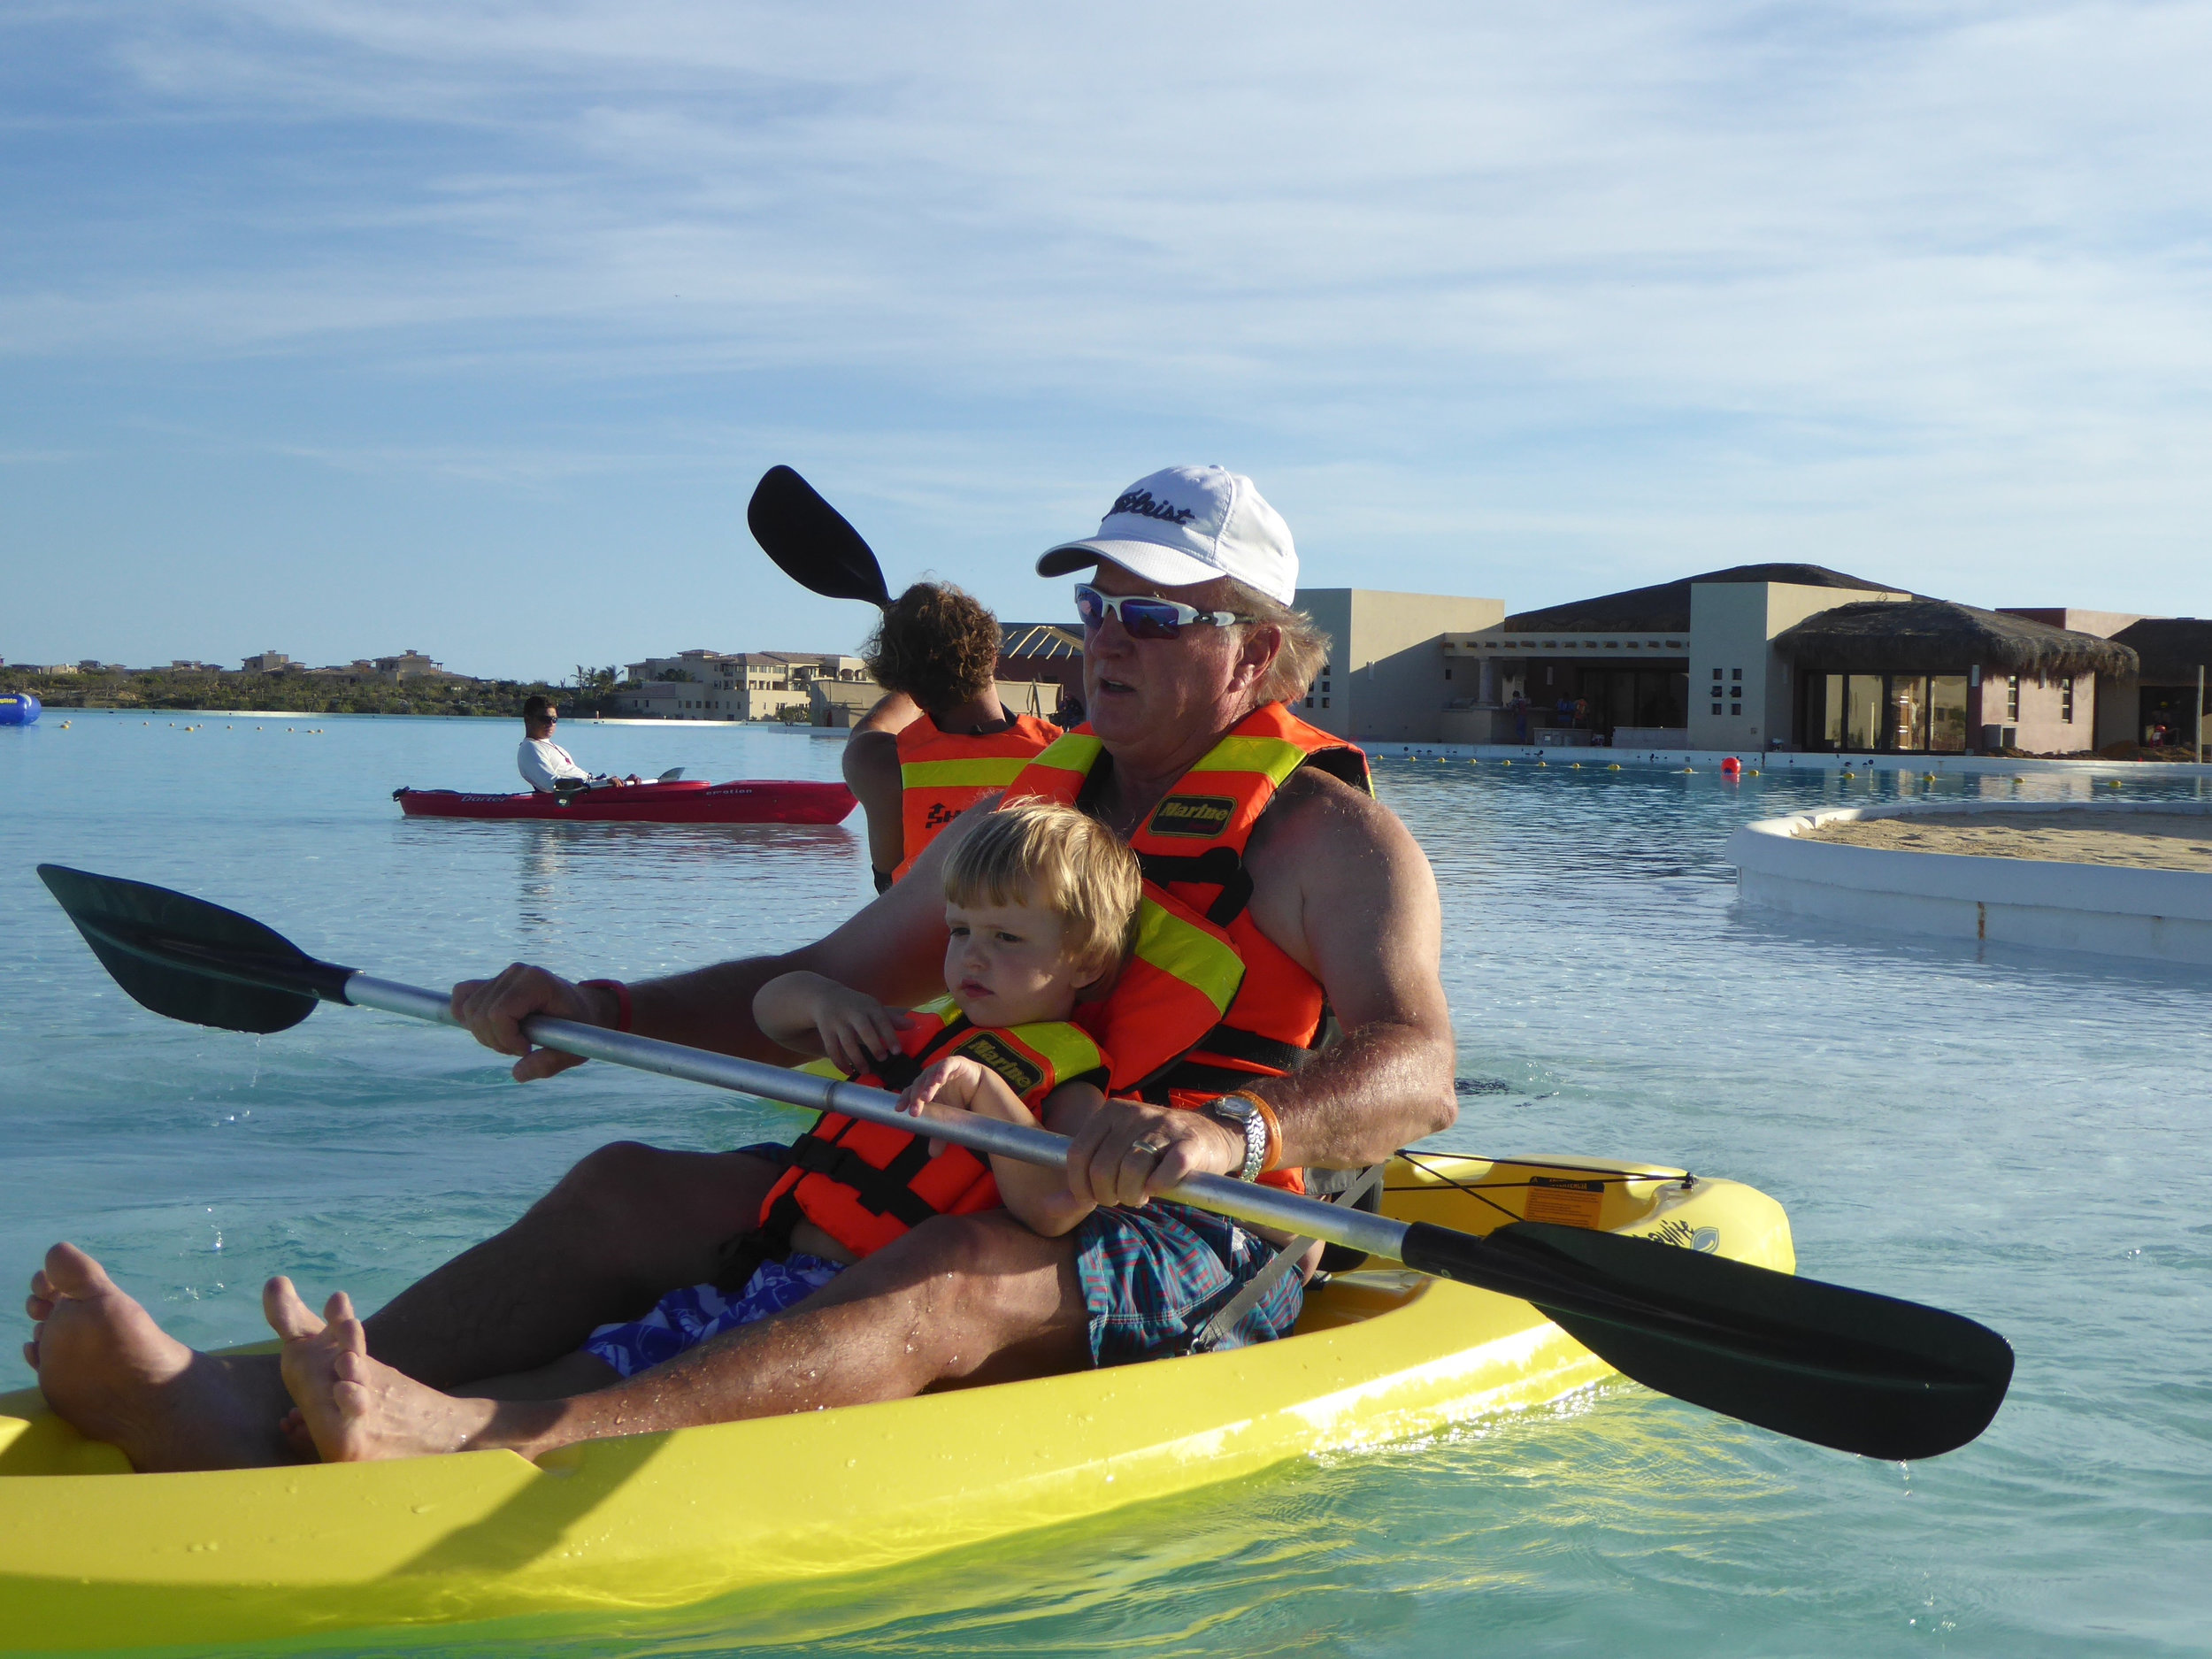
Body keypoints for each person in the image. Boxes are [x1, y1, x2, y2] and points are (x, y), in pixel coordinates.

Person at [26, 464, 1456, 1471]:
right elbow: (824, 967)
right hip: (993, 1146)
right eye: (1095, 607)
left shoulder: (1331, 836)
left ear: (1259, 653)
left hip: (1205, 1215)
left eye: (1153, 614)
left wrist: (1233, 1128)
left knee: (950, 1266)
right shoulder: (1046, 816)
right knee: (630, 1186)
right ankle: (268, 1413)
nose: (1105, 639)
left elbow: (1419, 1067)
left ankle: (485, 1437)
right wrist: (603, 1009)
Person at [547, 797, 1148, 1392]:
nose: (972, 953)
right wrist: (820, 997)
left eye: (1007, 937)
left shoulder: (1070, 1079)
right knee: (595, 1365)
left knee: (633, 1394)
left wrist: (986, 1089)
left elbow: (1055, 1203)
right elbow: (771, 1015)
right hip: (763, 1270)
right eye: (959, 929)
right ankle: (471, 1434)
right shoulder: (918, 1033)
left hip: (840, 1314)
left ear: (1087, 961)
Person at [842, 583, 1060, 893]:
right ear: (992, 656)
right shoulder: (1062, 754)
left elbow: (870, 729)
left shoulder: (880, 764)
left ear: (908, 687)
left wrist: (910, 652)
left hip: (920, 939)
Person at [516, 697, 635, 792]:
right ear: (528, 719)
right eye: (545, 719)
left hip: (589, 789)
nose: (551, 724)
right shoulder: (530, 749)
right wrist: (604, 784)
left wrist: (623, 782)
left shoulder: (555, 748)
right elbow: (553, 784)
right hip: (574, 798)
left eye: (554, 720)